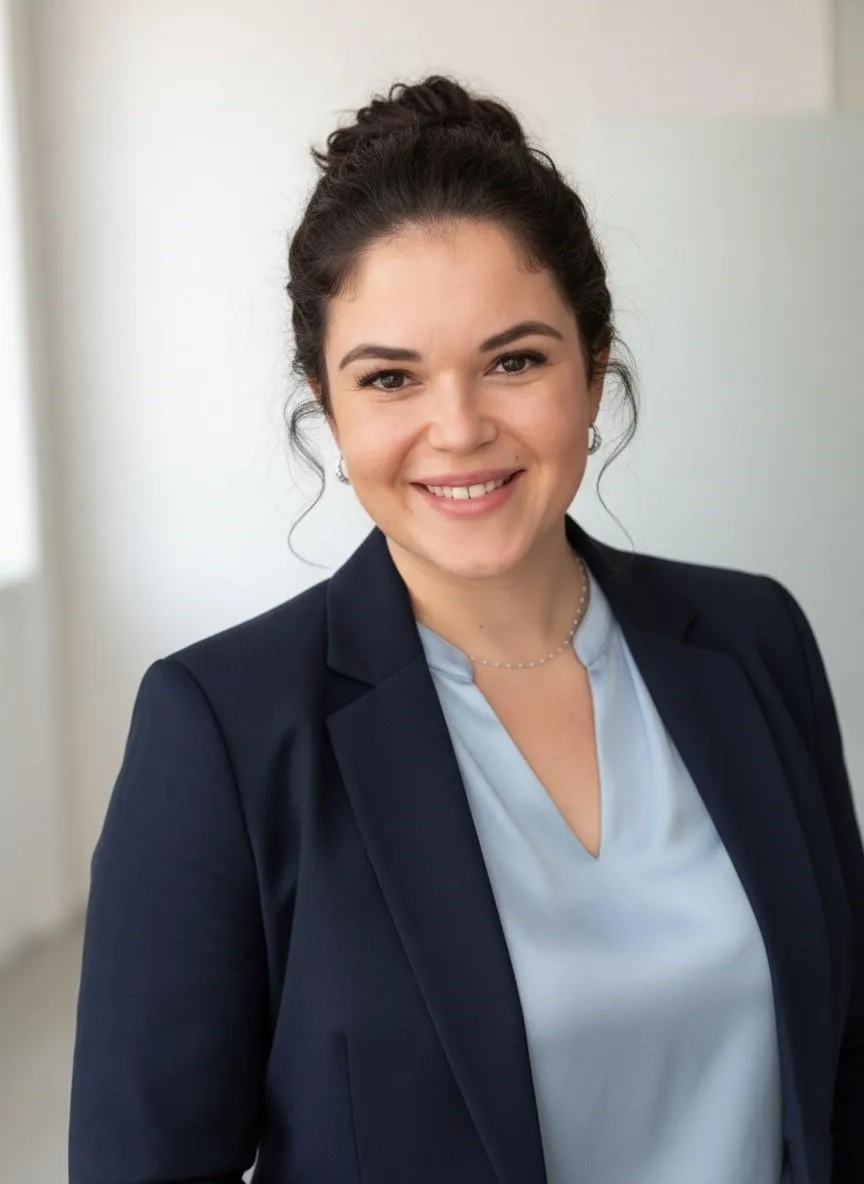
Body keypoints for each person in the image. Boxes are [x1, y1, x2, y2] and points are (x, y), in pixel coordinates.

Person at [68, 74, 863, 1184]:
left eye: (515, 359)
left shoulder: (754, 637)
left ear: (592, 366)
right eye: (390, 377)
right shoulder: (223, 730)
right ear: (329, 408)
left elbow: (841, 1072)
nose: (459, 428)